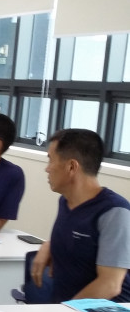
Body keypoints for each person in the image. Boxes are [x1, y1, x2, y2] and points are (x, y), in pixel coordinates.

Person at [32, 129, 130, 303]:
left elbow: (110, 285)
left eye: (51, 159)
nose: (47, 168)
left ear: (71, 167)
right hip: (63, 309)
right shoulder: (65, 202)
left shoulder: (115, 212)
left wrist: (65, 311)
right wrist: (50, 244)